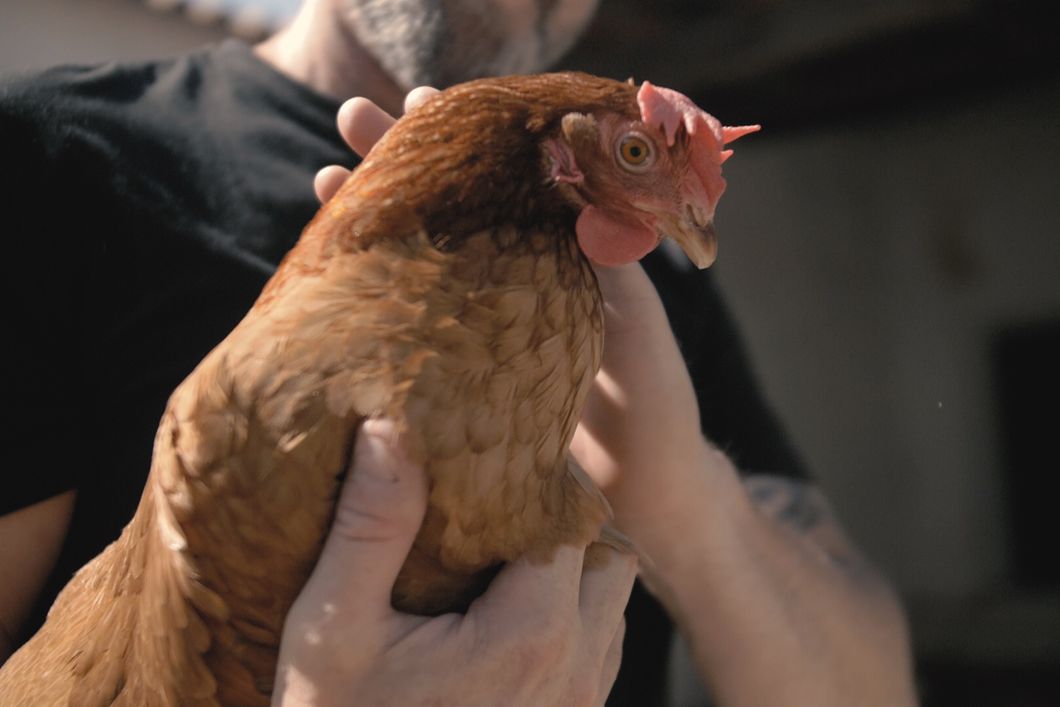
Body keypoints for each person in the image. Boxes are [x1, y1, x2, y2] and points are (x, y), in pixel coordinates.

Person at [0, 0, 917, 704]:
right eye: (640, 154)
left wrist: (683, 504)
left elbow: (875, 689)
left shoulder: (641, 288)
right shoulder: (48, 166)